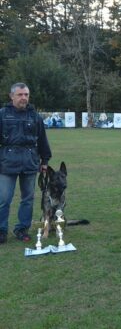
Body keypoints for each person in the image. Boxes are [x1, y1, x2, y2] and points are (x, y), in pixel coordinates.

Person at [0, 83, 52, 244]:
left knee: (27, 199)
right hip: (7, 162)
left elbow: (42, 140)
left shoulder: (35, 116)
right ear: (12, 96)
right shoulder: (2, 114)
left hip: (30, 162)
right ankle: (1, 231)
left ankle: (21, 229)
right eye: (20, 94)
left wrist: (45, 160)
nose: (24, 98)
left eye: (26, 95)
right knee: (4, 199)